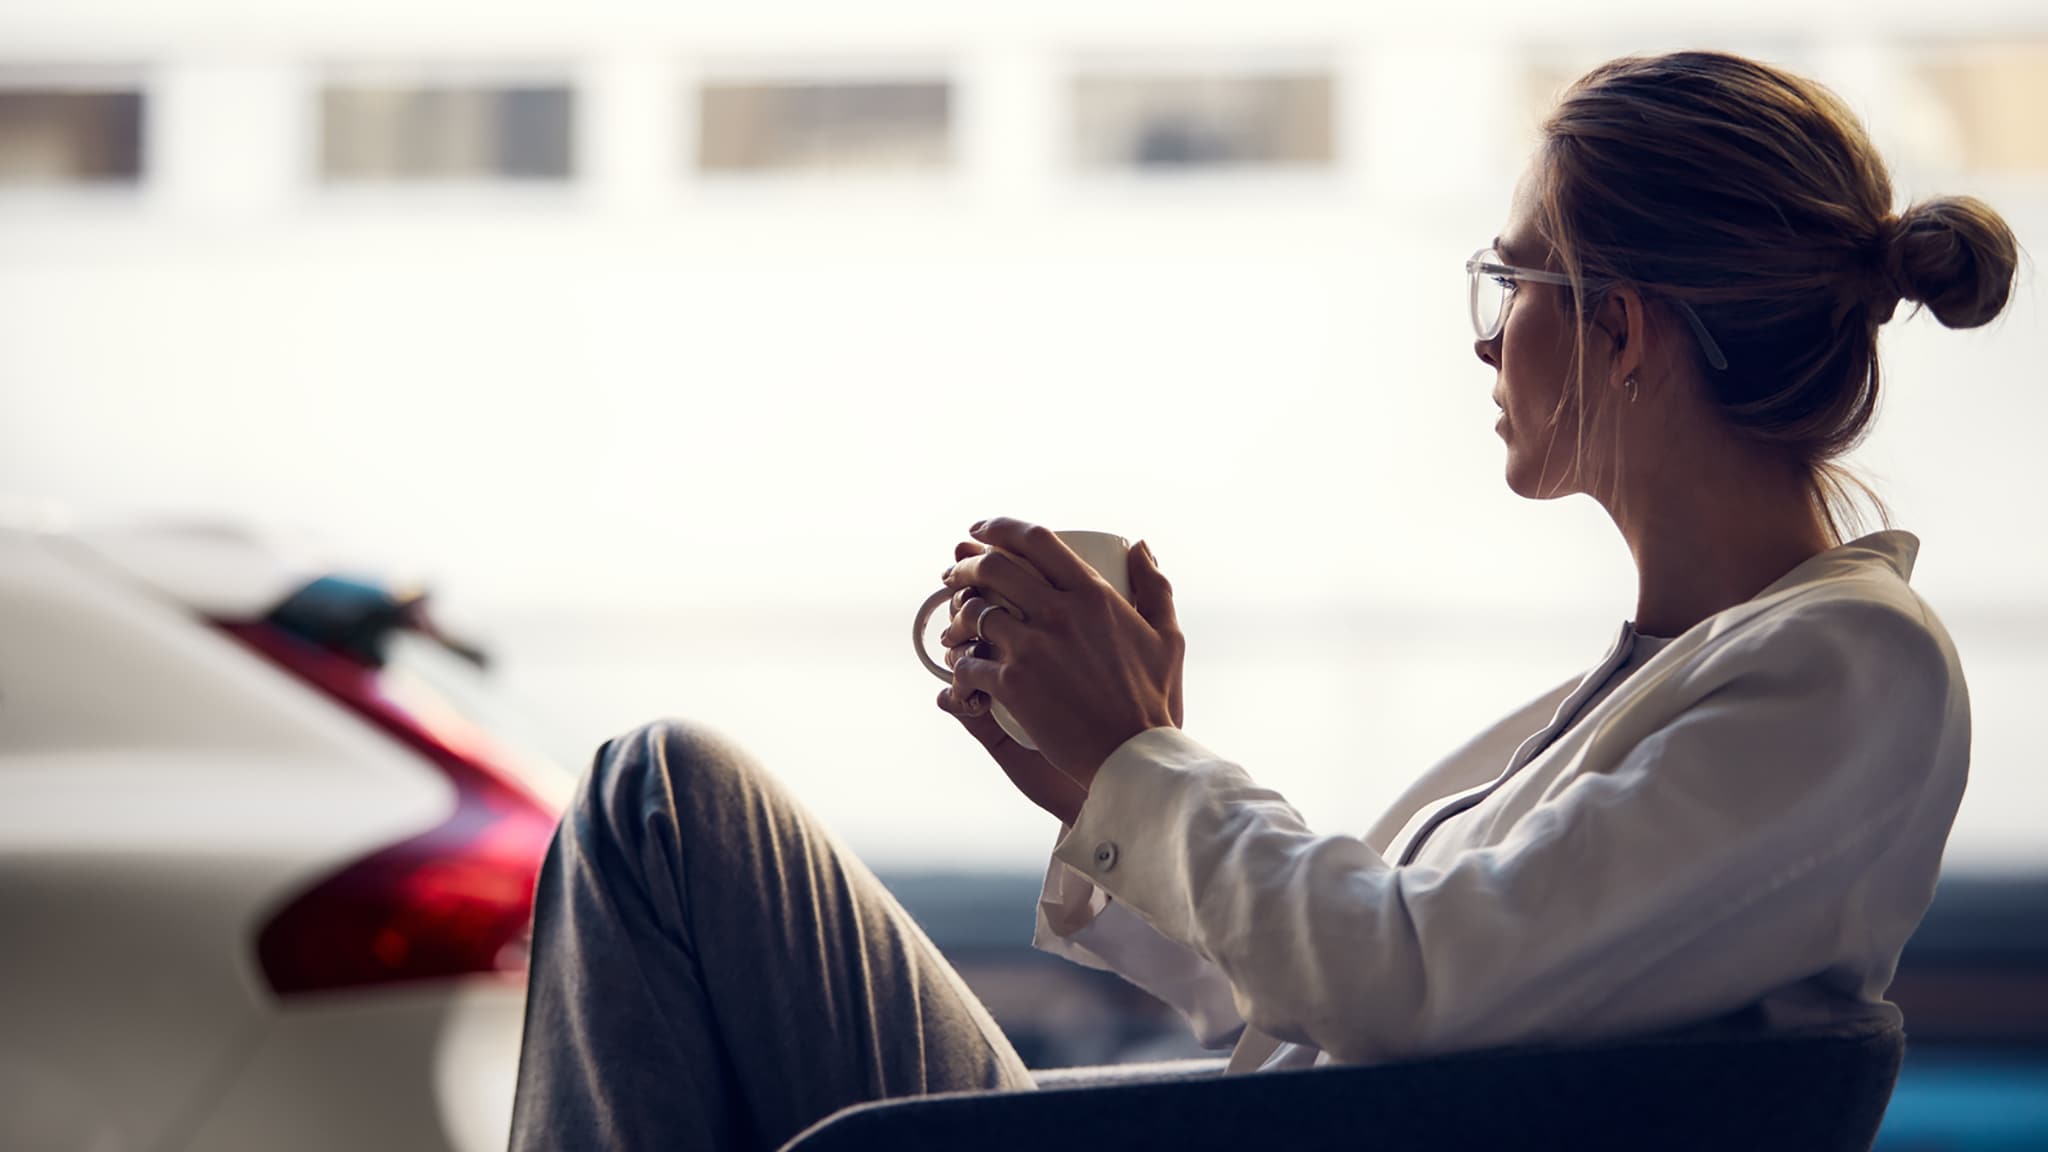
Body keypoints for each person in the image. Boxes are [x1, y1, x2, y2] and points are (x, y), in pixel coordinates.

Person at [508, 50, 2016, 1151]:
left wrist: (1152, 767)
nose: (1490, 346)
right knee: (670, 805)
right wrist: (1104, 773)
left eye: (1513, 283)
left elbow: (1405, 988)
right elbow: (1339, 1003)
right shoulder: (1694, 668)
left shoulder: (1846, 672)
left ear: (1620, 327)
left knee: (660, 806)